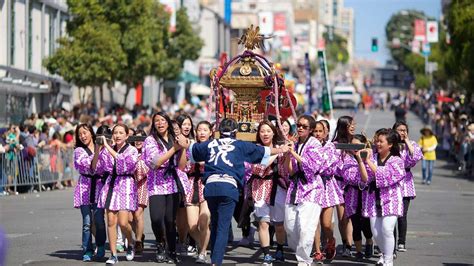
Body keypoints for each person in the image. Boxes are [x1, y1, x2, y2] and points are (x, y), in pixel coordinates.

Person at [177, 118, 288, 266]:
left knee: (216, 224)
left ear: (218, 132)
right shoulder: (240, 145)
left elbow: (192, 150)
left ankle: (211, 256)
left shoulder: (210, 144)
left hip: (209, 188)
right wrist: (282, 149)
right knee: (223, 226)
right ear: (235, 132)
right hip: (228, 188)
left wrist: (184, 143)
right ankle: (216, 261)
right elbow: (265, 151)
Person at [142, 112, 189, 263]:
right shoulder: (150, 140)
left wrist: (182, 148)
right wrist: (174, 149)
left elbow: (181, 166)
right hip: (156, 182)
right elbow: (155, 162)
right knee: (156, 218)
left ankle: (172, 250)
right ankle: (160, 243)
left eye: (163, 120)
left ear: (168, 123)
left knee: (170, 220)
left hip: (172, 182)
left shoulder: (173, 139)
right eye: (157, 121)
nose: (160, 123)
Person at [285, 115, 331, 266]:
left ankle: (304, 260)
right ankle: (301, 251)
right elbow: (290, 172)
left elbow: (312, 167)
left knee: (306, 227)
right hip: (295, 187)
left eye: (304, 126)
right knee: (290, 226)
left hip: (312, 188)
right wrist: (287, 155)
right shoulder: (295, 143)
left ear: (310, 129)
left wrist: (293, 154)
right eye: (298, 125)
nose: (300, 128)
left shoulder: (315, 144)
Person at [244, 121, 290, 264]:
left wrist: (287, 153)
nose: (265, 134)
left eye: (268, 131)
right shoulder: (255, 149)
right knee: (263, 223)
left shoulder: (280, 148)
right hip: (260, 187)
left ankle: (280, 248)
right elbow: (258, 168)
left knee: (279, 224)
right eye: (262, 131)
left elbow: (285, 170)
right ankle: (266, 254)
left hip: (278, 188)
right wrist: (277, 153)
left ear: (274, 133)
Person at [93, 124, 138, 265]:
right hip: (110, 185)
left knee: (123, 222)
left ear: (126, 136)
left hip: (125, 184)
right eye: (115, 133)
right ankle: (113, 255)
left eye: (121, 133)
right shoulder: (107, 149)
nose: (117, 135)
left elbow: (124, 163)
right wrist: (97, 149)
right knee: (111, 221)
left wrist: (107, 147)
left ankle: (131, 243)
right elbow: (96, 168)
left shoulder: (132, 150)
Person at [363, 128, 405, 266]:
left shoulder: (397, 160)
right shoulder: (372, 157)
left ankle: (388, 260)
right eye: (377, 141)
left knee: (387, 229)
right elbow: (365, 178)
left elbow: (386, 176)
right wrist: (360, 160)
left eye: (381, 141)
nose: (377, 144)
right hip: (372, 199)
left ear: (390, 144)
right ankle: (383, 254)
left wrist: (368, 162)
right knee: (376, 233)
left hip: (391, 199)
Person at [178, 121, 213, 263]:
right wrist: (182, 149)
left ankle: (203, 252)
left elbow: (212, 164)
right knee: (192, 226)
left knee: (204, 223)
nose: (202, 132)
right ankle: (201, 244)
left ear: (211, 132)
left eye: (205, 130)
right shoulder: (189, 147)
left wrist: (198, 161)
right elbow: (181, 167)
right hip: (191, 185)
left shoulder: (214, 147)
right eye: (199, 130)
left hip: (207, 185)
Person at [73, 124, 106, 261]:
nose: (83, 136)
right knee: (87, 222)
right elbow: (90, 165)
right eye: (80, 134)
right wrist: (97, 150)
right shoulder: (79, 151)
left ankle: (101, 245)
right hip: (85, 187)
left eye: (85, 132)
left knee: (99, 220)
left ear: (91, 133)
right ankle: (87, 249)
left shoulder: (104, 148)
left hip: (99, 186)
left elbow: (105, 166)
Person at [311, 120, 343, 262]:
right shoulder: (308, 145)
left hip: (327, 186)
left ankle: (331, 240)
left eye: (320, 131)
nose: (317, 134)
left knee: (326, 224)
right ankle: (317, 251)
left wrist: (314, 166)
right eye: (315, 131)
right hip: (311, 186)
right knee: (314, 222)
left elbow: (328, 166)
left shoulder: (331, 147)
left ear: (326, 133)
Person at [340, 134, 374, 261]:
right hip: (352, 195)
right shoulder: (347, 159)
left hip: (366, 196)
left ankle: (369, 241)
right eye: (352, 145)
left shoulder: (371, 157)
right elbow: (348, 176)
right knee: (355, 224)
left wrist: (361, 160)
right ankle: (359, 251)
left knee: (366, 224)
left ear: (364, 144)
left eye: (357, 145)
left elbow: (368, 178)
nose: (354, 148)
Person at [393, 121, 423, 252]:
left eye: (404, 130)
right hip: (392, 182)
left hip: (406, 182)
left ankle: (401, 241)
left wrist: (407, 141)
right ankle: (390, 242)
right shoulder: (390, 145)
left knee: (402, 214)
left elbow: (416, 157)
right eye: (399, 130)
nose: (402, 132)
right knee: (391, 214)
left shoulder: (412, 145)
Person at [331, 116, 355, 257]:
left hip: (353, 185)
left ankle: (350, 246)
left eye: (354, 124)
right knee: (343, 218)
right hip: (338, 183)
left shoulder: (357, 141)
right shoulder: (335, 144)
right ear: (344, 126)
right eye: (351, 124)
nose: (353, 127)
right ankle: (346, 243)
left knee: (349, 216)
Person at [175, 114, 197, 256]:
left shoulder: (194, 142)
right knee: (178, 214)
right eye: (184, 124)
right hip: (176, 179)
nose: (187, 127)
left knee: (189, 214)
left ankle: (191, 241)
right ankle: (180, 238)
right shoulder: (173, 141)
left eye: (189, 124)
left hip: (191, 180)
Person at [131, 129, 149, 255]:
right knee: (128, 218)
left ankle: (137, 242)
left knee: (138, 214)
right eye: (135, 139)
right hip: (130, 185)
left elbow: (147, 170)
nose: (138, 141)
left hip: (143, 184)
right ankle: (140, 234)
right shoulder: (130, 152)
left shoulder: (147, 152)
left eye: (141, 139)